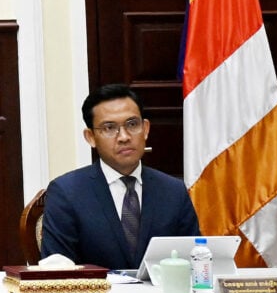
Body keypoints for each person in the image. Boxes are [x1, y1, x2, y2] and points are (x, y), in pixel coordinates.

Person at [40, 83, 200, 269]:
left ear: (146, 129)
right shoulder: (67, 192)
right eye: (109, 128)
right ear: (90, 137)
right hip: (96, 288)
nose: (124, 137)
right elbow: (56, 270)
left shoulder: (173, 191)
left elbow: (194, 261)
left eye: (132, 124)